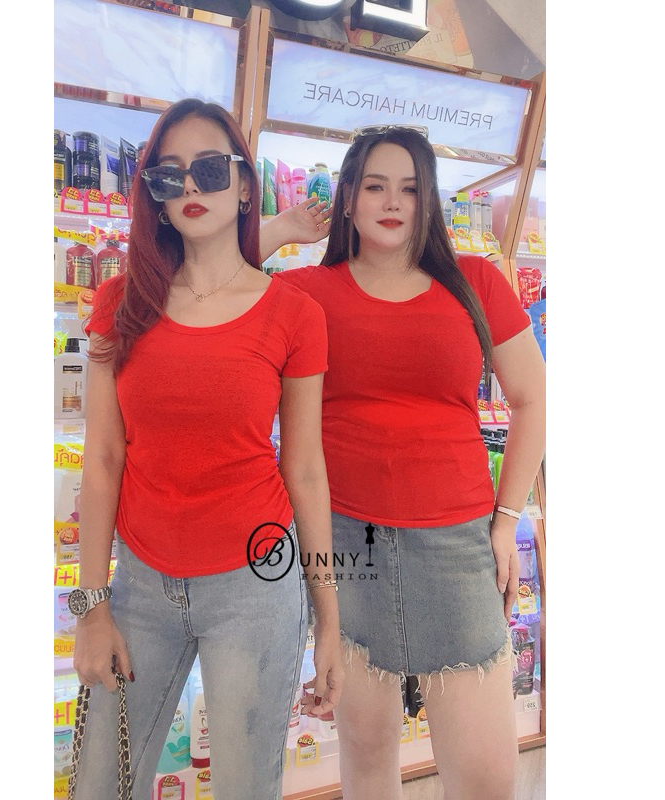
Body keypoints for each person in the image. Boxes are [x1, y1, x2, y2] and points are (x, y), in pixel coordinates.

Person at [260, 124, 546, 800]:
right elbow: (208, 270)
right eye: (375, 186)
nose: (393, 202)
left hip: (457, 544)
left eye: (411, 189)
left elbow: (534, 399)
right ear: (348, 199)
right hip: (343, 544)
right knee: (364, 754)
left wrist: (507, 519)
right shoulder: (305, 291)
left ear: (430, 200)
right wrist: (282, 228)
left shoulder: (477, 281)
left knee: (485, 777)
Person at [69, 98, 344, 800]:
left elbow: (305, 470)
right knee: (101, 784)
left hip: (257, 586)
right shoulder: (119, 303)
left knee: (247, 787)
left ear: (246, 185)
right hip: (139, 586)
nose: (190, 185)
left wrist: (329, 618)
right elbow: (102, 460)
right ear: (155, 200)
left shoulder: (295, 314)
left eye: (211, 169)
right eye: (169, 175)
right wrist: (91, 607)